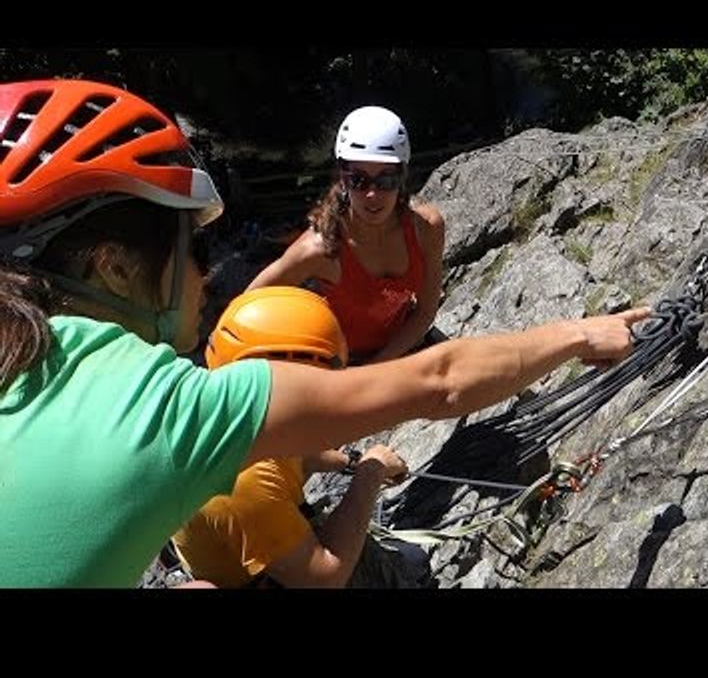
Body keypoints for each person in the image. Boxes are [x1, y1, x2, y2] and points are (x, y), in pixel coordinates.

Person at [0, 78, 650, 587]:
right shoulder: (165, 409)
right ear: (113, 267)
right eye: (193, 250)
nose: (207, 274)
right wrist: (578, 335)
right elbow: (442, 382)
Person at [172, 286, 420, 588]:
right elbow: (324, 580)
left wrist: (350, 462)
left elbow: (297, 456)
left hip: (265, 543)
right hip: (266, 578)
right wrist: (370, 474)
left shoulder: (239, 417)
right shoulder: (241, 480)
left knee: (411, 561)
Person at [246, 106, 446, 365]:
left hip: (398, 349)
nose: (372, 194)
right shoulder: (319, 249)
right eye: (358, 181)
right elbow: (246, 307)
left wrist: (378, 366)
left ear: (402, 176)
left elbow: (425, 312)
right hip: (338, 363)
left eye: (386, 180)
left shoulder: (427, 229)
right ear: (343, 178)